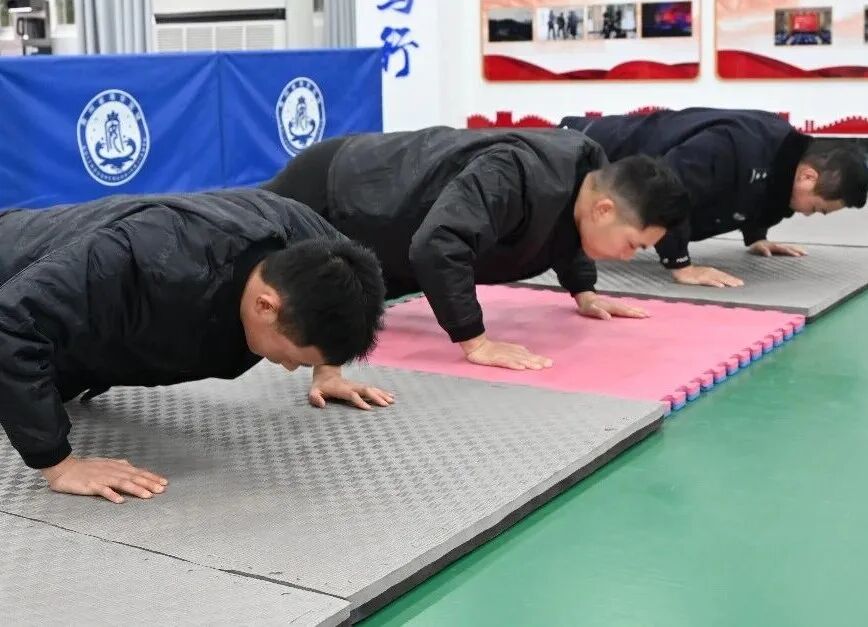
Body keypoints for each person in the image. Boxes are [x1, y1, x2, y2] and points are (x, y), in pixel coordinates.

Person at [0, 189, 387, 503]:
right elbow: (12, 320)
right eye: (293, 358)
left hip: (76, 332)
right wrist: (61, 466)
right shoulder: (144, 257)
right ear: (265, 306)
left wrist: (328, 369)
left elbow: (347, 298)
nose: (287, 367)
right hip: (15, 273)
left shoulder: (312, 245)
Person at [263, 128, 690, 373]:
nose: (629, 257)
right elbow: (439, 244)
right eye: (633, 244)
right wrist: (476, 341)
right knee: (242, 244)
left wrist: (584, 291)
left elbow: (566, 231)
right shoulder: (514, 173)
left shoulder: (585, 181)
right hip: (337, 185)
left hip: (385, 222)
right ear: (604, 209)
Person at [560, 108, 868, 287]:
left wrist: (756, 237)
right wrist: (681, 266)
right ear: (808, 177)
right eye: (816, 208)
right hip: (583, 149)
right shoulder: (731, 147)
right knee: (552, 232)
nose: (808, 214)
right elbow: (665, 192)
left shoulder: (783, 155)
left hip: (608, 152)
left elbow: (765, 191)